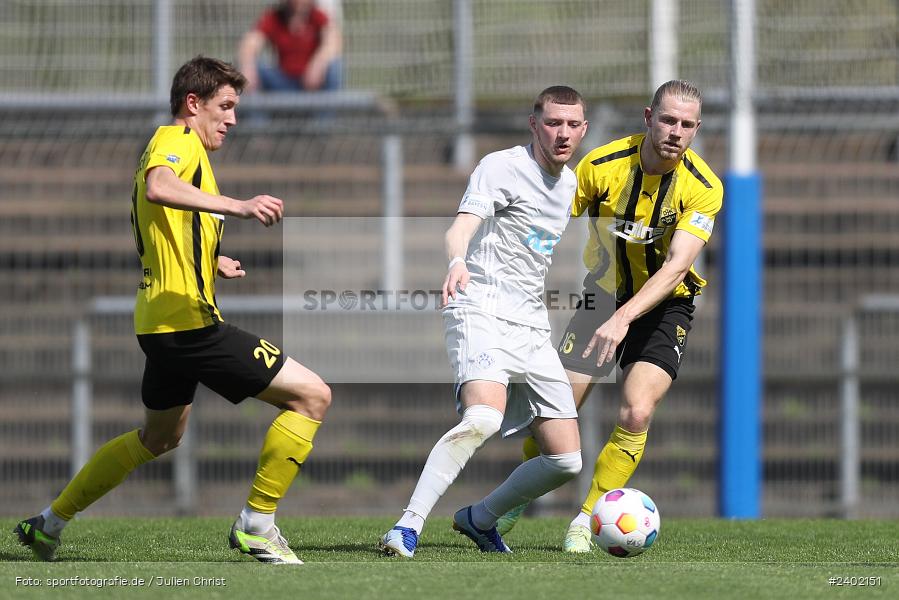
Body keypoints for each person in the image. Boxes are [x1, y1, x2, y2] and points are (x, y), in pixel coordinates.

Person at [13, 56, 331, 565]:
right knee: (312, 396)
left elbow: (165, 223)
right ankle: (257, 524)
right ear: (192, 104)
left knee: (159, 437)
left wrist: (212, 259)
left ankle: (49, 523)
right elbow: (158, 188)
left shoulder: (191, 156)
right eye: (224, 107)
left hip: (160, 324)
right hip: (189, 327)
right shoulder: (175, 140)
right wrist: (239, 205)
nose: (232, 119)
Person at [495, 80, 723, 553]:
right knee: (555, 411)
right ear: (647, 118)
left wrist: (624, 319)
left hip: (666, 304)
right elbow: (552, 223)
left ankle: (586, 519)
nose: (676, 132)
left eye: (686, 124)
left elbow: (677, 265)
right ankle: (514, 500)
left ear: (697, 129)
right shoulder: (601, 167)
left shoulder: (704, 188)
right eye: (667, 120)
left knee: (638, 408)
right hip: (601, 297)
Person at [379, 86, 589, 558]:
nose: (563, 133)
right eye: (553, 122)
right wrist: (457, 261)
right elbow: (461, 227)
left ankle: (479, 519)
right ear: (534, 123)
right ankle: (406, 527)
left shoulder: (570, 183)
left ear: (583, 129)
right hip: (480, 307)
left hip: (531, 325)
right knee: (483, 418)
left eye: (572, 124)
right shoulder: (501, 166)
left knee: (565, 459)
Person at [239, 0, 342, 93]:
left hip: (310, 83)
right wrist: (248, 66)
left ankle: (328, 113)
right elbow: (250, 43)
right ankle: (256, 113)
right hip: (283, 82)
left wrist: (318, 64)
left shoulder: (317, 16)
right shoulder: (274, 17)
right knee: (253, 69)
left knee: (334, 66)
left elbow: (333, 41)